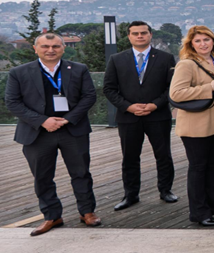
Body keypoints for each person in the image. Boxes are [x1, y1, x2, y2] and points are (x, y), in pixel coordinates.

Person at [6, 32, 99, 236]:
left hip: (72, 129)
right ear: (35, 48)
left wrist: (68, 119)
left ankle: (87, 212)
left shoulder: (78, 69)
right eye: (45, 47)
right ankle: (52, 216)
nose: (50, 50)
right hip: (37, 132)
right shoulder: (19, 72)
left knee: (81, 173)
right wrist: (43, 121)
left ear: (63, 48)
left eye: (56, 46)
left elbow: (89, 96)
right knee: (42, 177)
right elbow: (13, 102)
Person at [102, 20, 178, 210]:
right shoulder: (117, 59)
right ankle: (130, 195)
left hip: (158, 115)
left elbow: (172, 88)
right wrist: (128, 107)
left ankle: (166, 191)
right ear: (129, 36)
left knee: (163, 155)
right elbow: (109, 89)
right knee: (130, 157)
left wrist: (155, 105)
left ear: (150, 35)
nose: (140, 36)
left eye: (143, 33)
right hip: (128, 117)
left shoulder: (166, 58)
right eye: (135, 33)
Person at [170, 25, 214, 227]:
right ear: (191, 44)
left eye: (206, 40)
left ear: (213, 42)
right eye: (197, 41)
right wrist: (209, 88)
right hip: (196, 125)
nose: (202, 44)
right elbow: (176, 94)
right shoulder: (186, 64)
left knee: (213, 167)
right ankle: (199, 213)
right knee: (198, 168)